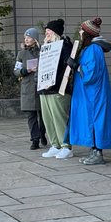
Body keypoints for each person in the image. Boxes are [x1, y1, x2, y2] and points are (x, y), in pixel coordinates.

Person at [66, 17, 111, 165]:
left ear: (87, 33)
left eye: (82, 30)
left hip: (93, 96)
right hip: (90, 95)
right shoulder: (90, 49)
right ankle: (93, 151)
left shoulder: (93, 49)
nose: (79, 32)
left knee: (95, 122)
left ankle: (97, 153)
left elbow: (91, 74)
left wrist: (76, 66)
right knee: (92, 122)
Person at [39, 19, 74, 160]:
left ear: (56, 33)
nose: (46, 33)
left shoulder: (64, 46)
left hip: (58, 88)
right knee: (48, 119)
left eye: (49, 31)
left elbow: (69, 64)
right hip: (44, 89)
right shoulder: (45, 47)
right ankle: (55, 144)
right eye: (46, 31)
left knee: (59, 118)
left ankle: (66, 146)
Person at [15, 27, 47, 150]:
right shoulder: (22, 54)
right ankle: (35, 139)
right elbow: (16, 71)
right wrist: (25, 70)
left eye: (29, 37)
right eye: (25, 37)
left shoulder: (42, 51)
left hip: (41, 86)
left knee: (43, 115)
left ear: (35, 39)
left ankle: (42, 133)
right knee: (31, 116)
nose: (26, 39)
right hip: (27, 87)